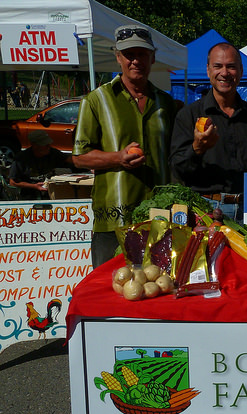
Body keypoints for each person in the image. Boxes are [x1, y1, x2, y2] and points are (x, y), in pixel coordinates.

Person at [73, 24, 177, 268]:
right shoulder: (96, 100)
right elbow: (80, 157)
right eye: (129, 54)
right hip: (113, 219)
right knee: (109, 290)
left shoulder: (166, 103)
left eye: (142, 54)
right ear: (117, 57)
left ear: (152, 57)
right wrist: (117, 158)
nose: (135, 60)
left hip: (158, 218)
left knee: (157, 290)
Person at [170, 42, 247, 220]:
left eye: (231, 66)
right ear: (208, 70)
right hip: (206, 210)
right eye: (218, 66)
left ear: (240, 71)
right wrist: (197, 149)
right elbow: (176, 169)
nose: (224, 73)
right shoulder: (189, 115)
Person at [9, 130, 73, 199]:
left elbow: (70, 161)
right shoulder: (21, 159)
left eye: (49, 143)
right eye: (45, 144)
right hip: (29, 196)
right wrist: (34, 186)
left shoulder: (53, 153)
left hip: (51, 192)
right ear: (34, 145)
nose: (49, 146)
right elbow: (13, 182)